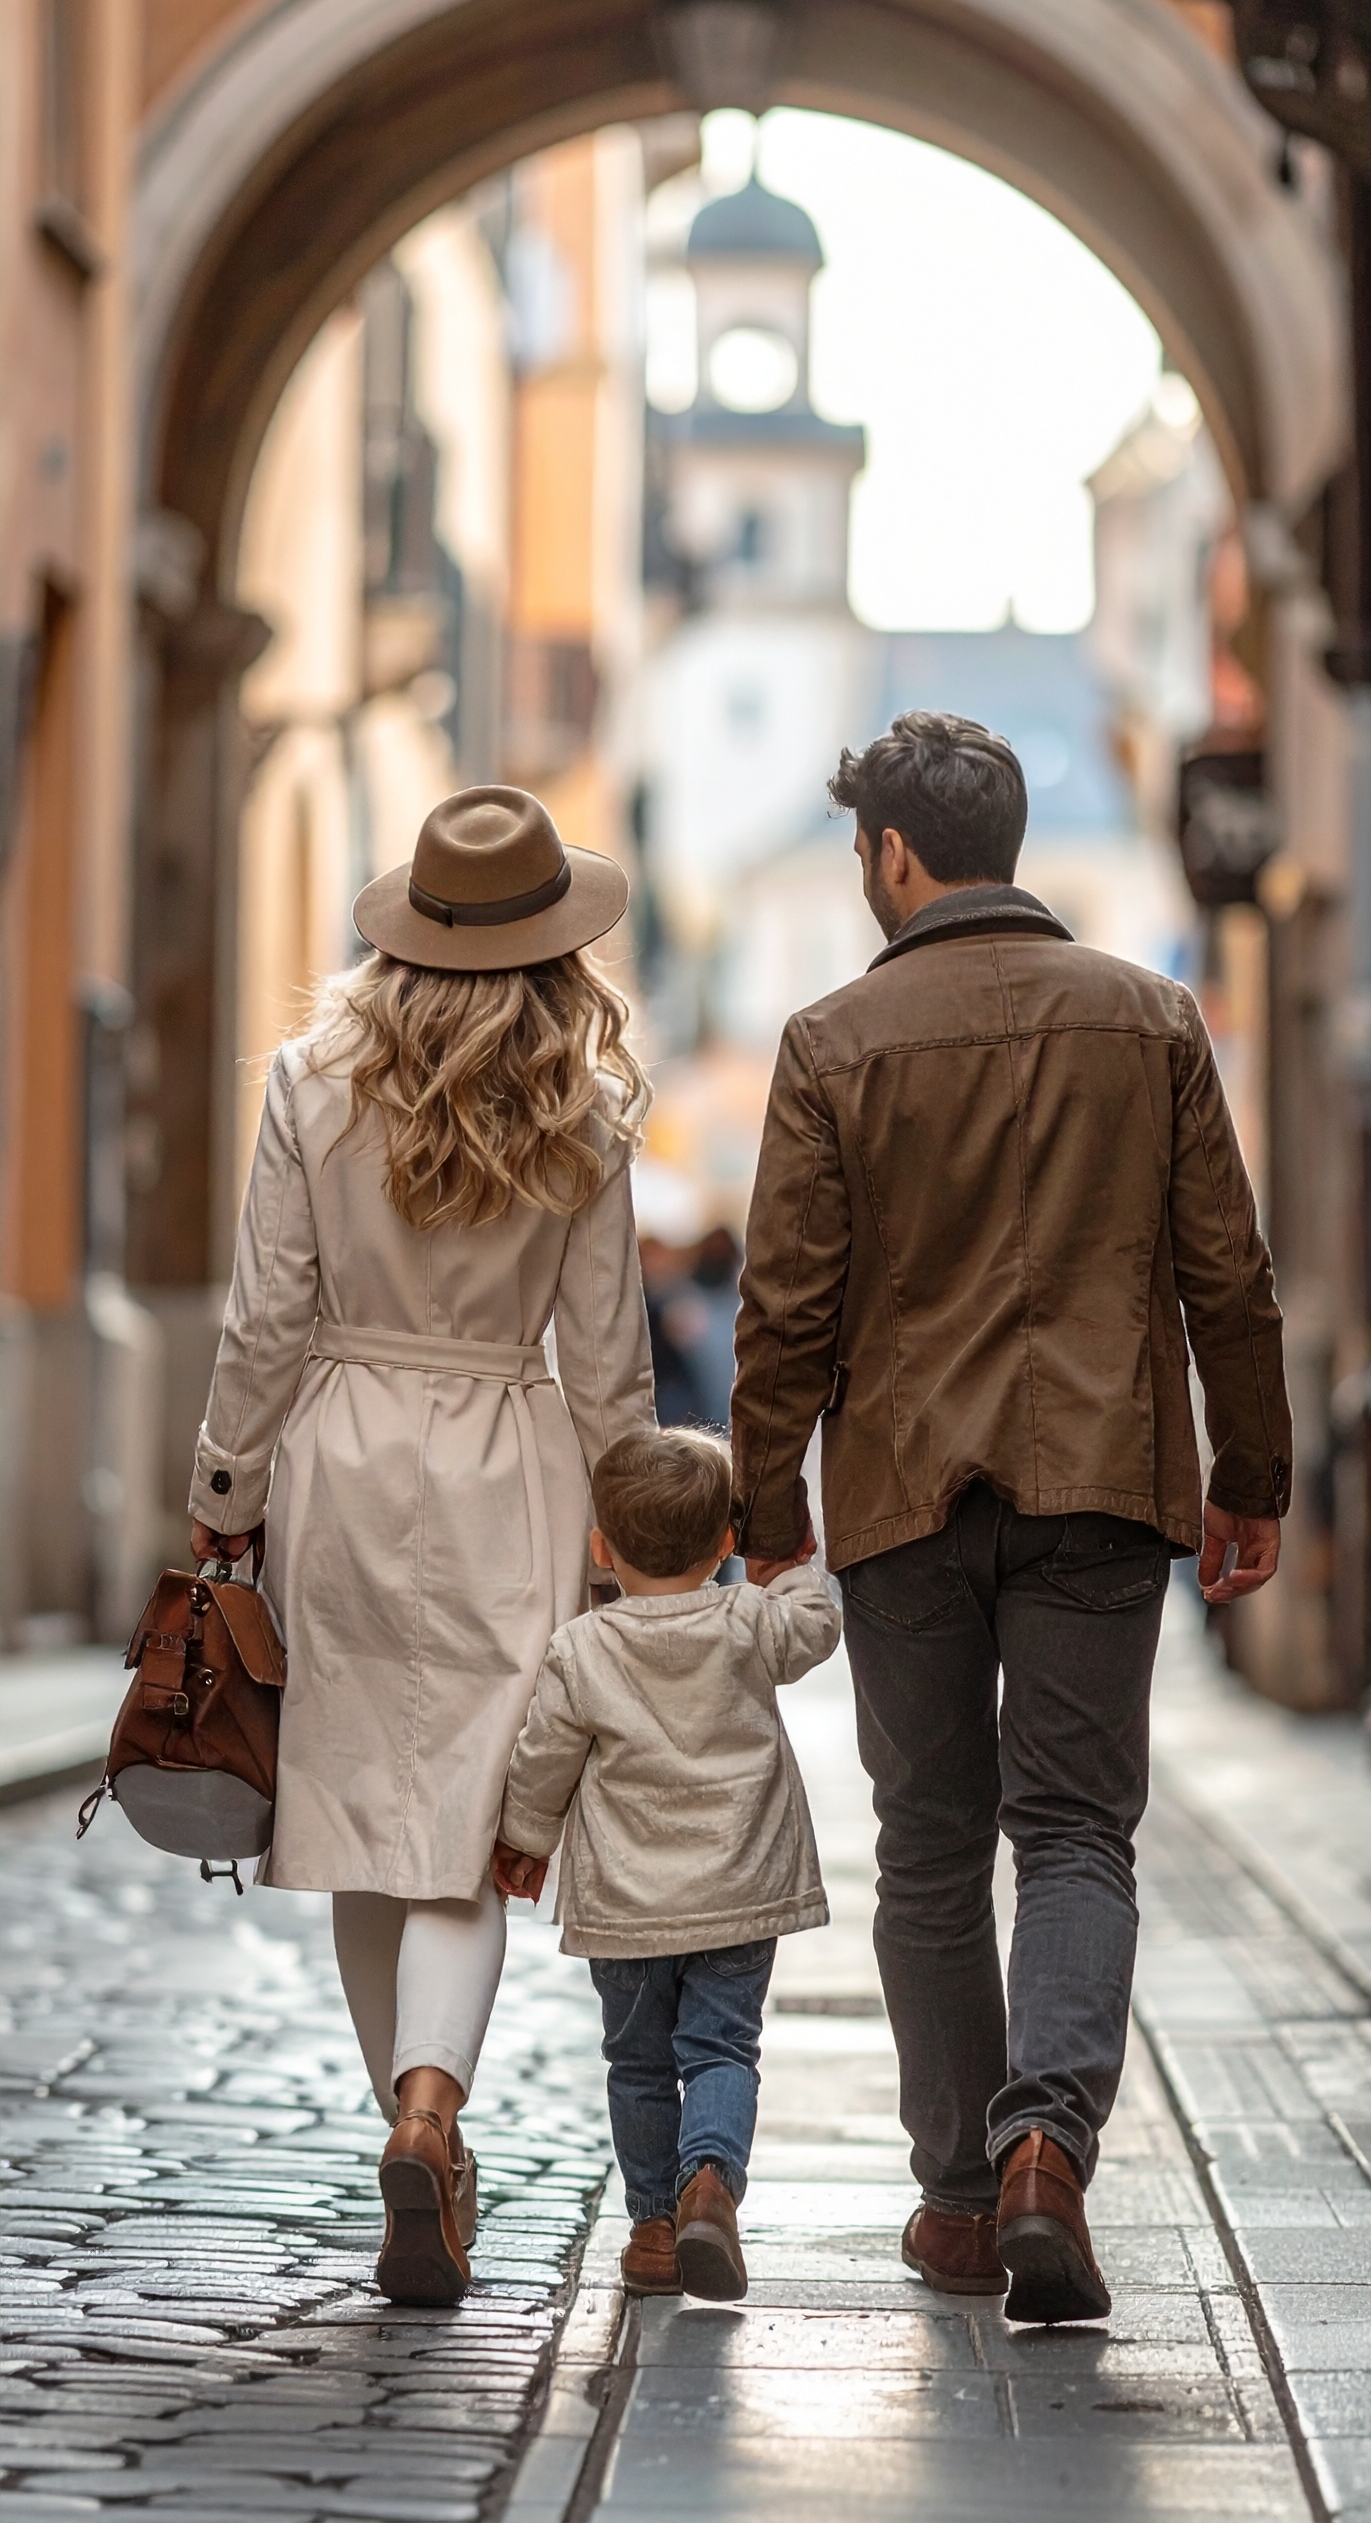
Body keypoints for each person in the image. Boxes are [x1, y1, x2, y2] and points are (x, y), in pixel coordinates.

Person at [730, 710, 1291, 2325]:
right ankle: (1051, 2144)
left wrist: (768, 1506)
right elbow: (1229, 1276)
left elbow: (784, 1311)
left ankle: (967, 2202)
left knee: (926, 1846)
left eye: (859, 851)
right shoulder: (1151, 1019)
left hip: (905, 1494)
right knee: (1075, 1831)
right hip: (1103, 1479)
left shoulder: (832, 1043)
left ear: (896, 854)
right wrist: (1249, 1475)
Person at [187, 786, 655, 2308]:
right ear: (551, 946)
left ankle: (407, 2116)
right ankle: (432, 2111)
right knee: (465, 1822)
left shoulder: (308, 1077)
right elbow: (608, 1359)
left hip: (335, 1459)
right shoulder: (580, 1110)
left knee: (356, 1827)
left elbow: (264, 1317)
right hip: (504, 1470)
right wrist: (627, 1538)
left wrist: (221, 1491)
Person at [492, 1426, 839, 2300]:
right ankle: (710, 2183)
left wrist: (525, 1843)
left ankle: (652, 2229)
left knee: (638, 2062)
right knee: (722, 2049)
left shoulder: (582, 1648)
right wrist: (789, 1559)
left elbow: (543, 1759)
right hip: (739, 1887)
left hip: (628, 1904)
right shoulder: (749, 1621)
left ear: (602, 1549)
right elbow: (819, 1623)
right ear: (725, 1543)